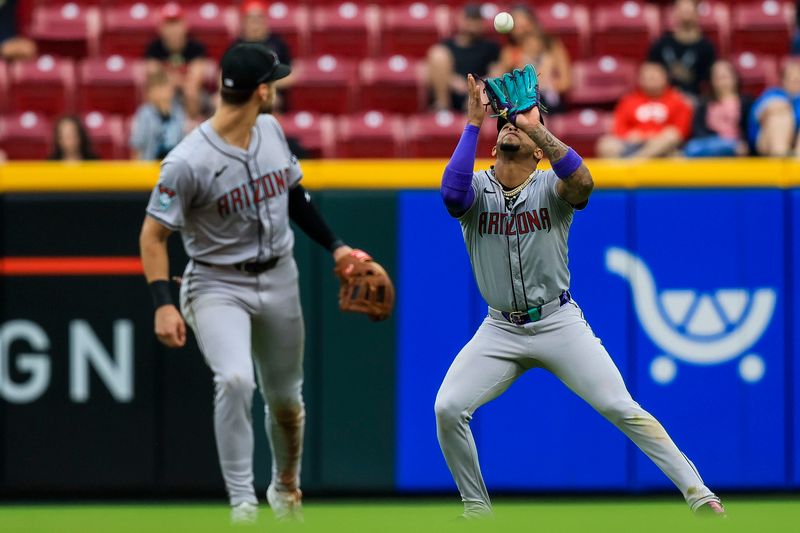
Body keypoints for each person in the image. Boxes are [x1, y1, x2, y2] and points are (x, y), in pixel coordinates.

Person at [435, 68, 727, 520]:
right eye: (505, 125)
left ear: (539, 150)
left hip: (558, 322)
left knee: (620, 406)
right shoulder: (476, 189)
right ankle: (477, 511)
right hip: (500, 329)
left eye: (522, 126)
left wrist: (536, 127)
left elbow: (583, 183)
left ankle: (700, 495)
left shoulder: (551, 187)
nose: (511, 125)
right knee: (448, 407)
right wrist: (474, 122)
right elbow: (451, 196)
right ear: (493, 145)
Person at [138, 43, 379, 524]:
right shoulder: (187, 161)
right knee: (233, 379)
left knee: (287, 401)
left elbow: (294, 196)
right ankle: (242, 505)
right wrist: (163, 302)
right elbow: (152, 235)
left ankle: (286, 490)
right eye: (274, 82)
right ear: (260, 90)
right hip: (215, 284)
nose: (277, 91)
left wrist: (336, 247)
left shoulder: (269, 129)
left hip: (279, 276)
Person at [596, 62, 693, 159]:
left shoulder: (678, 100)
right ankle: (639, 161)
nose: (651, 78)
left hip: (662, 146)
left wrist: (655, 136)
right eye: (647, 76)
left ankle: (637, 162)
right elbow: (618, 128)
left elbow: (681, 131)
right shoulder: (628, 100)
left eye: (655, 75)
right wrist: (631, 135)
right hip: (633, 144)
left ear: (665, 77)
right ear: (639, 79)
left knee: (671, 136)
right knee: (605, 144)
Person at [491, 4, 571, 113]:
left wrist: (548, 85)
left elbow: (565, 82)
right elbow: (501, 87)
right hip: (521, 105)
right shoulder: (509, 53)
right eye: (515, 21)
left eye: (522, 20)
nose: (519, 25)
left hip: (549, 103)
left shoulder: (553, 47)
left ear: (533, 23)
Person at [426, 3, 500, 111]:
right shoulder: (446, 45)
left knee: (488, 85)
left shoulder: (490, 47)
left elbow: (496, 71)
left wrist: (478, 85)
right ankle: (442, 107)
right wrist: (450, 79)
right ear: (460, 20)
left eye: (475, 20)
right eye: (468, 19)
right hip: (450, 92)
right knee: (437, 55)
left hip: (477, 96)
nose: (471, 24)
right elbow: (428, 69)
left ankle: (473, 116)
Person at [144, 2, 207, 119]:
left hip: (192, 95)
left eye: (176, 23)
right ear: (161, 28)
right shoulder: (153, 49)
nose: (173, 29)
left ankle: (193, 127)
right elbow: (154, 79)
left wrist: (170, 78)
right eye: (169, 24)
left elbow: (195, 80)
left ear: (185, 25)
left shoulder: (196, 48)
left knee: (191, 92)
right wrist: (178, 80)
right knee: (157, 92)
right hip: (167, 93)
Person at [647, 0, 716, 98]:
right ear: (675, 13)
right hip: (662, 100)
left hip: (695, 100)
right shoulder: (660, 45)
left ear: (697, 14)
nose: (685, 14)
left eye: (688, 10)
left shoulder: (707, 48)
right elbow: (649, 73)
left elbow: (709, 82)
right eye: (682, 10)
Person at [685, 60, 753, 157]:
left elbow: (750, 128)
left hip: (737, 142)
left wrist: (744, 142)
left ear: (735, 78)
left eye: (725, 77)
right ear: (712, 81)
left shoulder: (746, 102)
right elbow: (698, 131)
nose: (722, 82)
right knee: (692, 147)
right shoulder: (704, 104)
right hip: (711, 144)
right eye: (717, 78)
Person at [230, 0, 293, 89]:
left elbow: (289, 76)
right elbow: (224, 76)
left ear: (266, 20)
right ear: (243, 22)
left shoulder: (278, 45)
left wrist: (264, 85)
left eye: (259, 18)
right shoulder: (236, 47)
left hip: (273, 96)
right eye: (251, 19)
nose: (255, 24)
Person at [130, 69, 187, 160]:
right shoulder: (145, 114)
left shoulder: (179, 113)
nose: (163, 92)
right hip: (149, 168)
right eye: (159, 88)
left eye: (165, 87)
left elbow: (183, 143)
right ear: (150, 93)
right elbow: (137, 147)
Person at [748, 61, 800, 157]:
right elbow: (756, 117)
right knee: (780, 117)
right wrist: (774, 108)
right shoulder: (772, 94)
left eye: (798, 78)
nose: (795, 80)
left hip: (796, 145)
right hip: (767, 142)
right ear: (783, 81)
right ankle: (780, 158)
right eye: (791, 78)